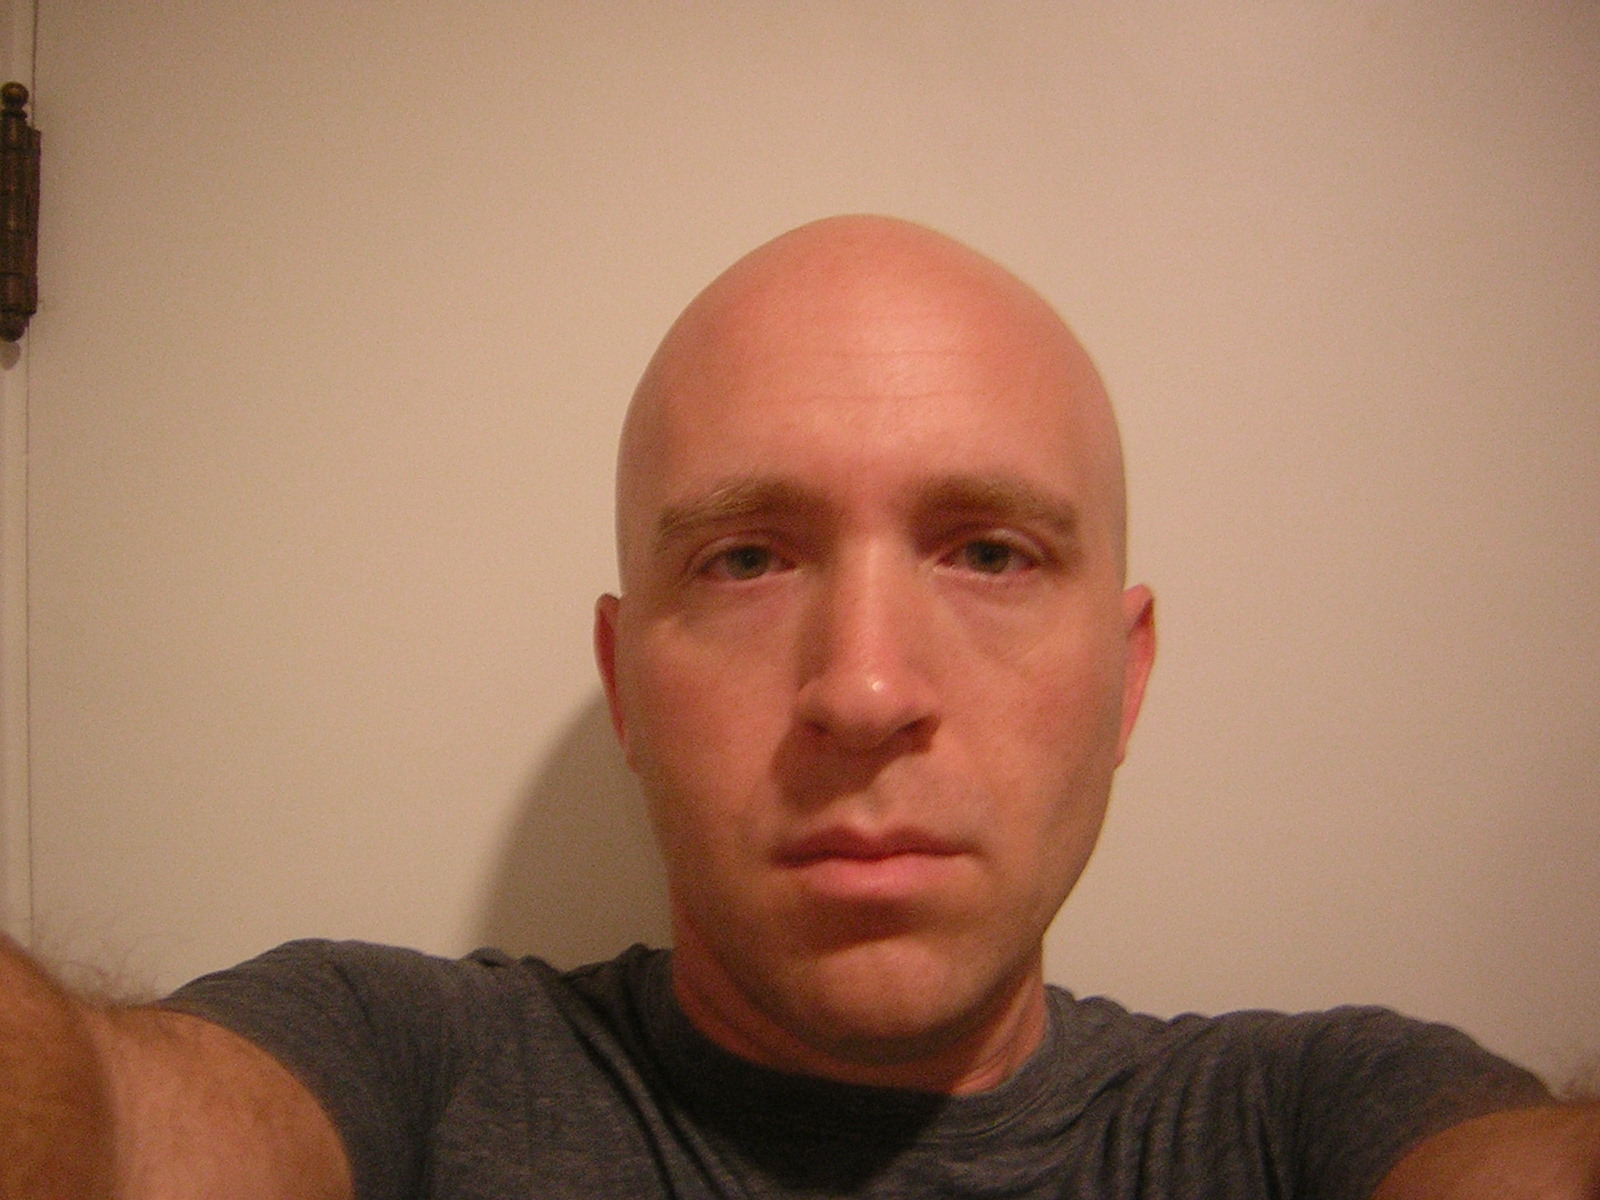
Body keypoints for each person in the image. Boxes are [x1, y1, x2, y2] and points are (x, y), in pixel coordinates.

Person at [2, 215, 1595, 1199]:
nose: (868, 690)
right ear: (626, 686)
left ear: (1129, 678)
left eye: (989, 551)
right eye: (749, 558)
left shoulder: (1315, 1126)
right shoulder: (402, 1075)